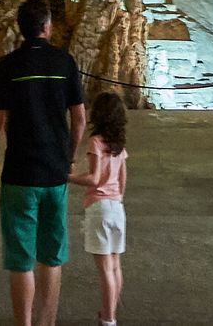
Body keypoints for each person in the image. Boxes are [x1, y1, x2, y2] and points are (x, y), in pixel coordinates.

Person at [0, 0, 86, 326]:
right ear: (47, 27)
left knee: (21, 260)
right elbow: (79, 119)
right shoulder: (64, 63)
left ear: (21, 29)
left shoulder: (8, 66)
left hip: (19, 175)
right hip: (54, 176)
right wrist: (69, 158)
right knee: (51, 257)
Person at [70, 88, 130, 326]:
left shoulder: (96, 142)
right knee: (115, 265)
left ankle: (108, 319)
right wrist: (117, 199)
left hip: (99, 207)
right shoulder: (119, 145)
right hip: (117, 207)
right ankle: (109, 312)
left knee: (105, 269)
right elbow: (123, 178)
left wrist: (68, 177)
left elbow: (94, 179)